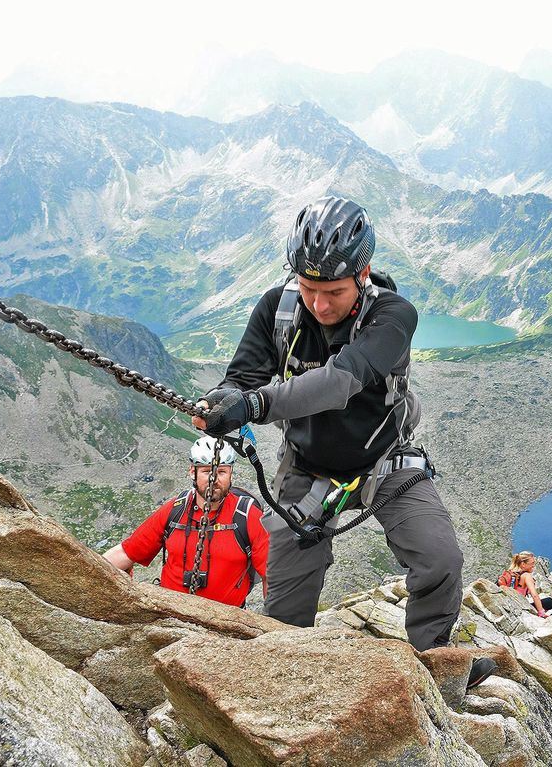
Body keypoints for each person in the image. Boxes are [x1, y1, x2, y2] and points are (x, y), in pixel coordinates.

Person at [190, 197, 492, 685]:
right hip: (308, 472)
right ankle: (291, 687)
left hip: (385, 465)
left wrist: (253, 407)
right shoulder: (277, 309)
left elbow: (341, 380)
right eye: (308, 289)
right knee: (284, 615)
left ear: (364, 272)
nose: (320, 304)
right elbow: (242, 377)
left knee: (439, 560)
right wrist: (221, 401)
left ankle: (434, 664)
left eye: (333, 291)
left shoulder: (392, 315)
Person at [104, 436, 268, 607]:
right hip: (170, 615)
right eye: (206, 471)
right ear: (193, 472)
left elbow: (270, 576)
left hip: (228, 622)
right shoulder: (175, 510)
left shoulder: (247, 516)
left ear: (230, 473)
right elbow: (127, 552)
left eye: (221, 472)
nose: (214, 479)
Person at [498, 552, 552, 617]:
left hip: (509, 606)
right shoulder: (526, 576)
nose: (533, 565)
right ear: (523, 564)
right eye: (532, 563)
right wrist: (541, 613)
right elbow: (534, 595)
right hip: (520, 608)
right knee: (549, 602)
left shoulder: (512, 573)